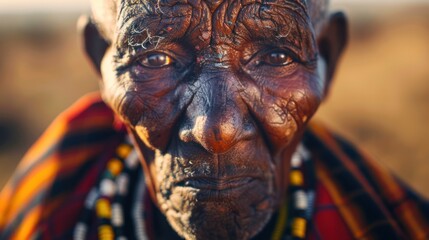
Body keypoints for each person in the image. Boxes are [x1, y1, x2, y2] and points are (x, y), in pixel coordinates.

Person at [0, 0, 428, 239]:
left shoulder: (388, 224)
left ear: (327, 59)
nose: (215, 128)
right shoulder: (47, 213)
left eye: (275, 56)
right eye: (156, 57)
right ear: (101, 61)